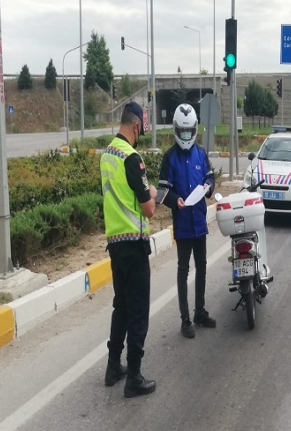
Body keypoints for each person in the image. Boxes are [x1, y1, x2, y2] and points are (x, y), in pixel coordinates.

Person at [100, 101, 158, 398]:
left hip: (114, 244)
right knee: (138, 311)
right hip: (134, 245)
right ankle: (133, 375)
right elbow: (148, 209)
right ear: (136, 126)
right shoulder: (132, 158)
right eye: (142, 129)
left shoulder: (107, 154)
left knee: (121, 306)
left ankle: (113, 367)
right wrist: (155, 193)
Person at [158, 103, 217, 339]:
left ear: (194, 130)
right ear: (175, 130)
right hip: (182, 224)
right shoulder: (169, 157)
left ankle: (200, 311)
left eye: (189, 131)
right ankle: (185, 320)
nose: (185, 135)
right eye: (182, 131)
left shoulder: (201, 154)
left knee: (202, 267)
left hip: (199, 223)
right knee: (183, 270)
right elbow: (162, 191)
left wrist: (209, 187)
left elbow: (210, 177)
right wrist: (175, 200)